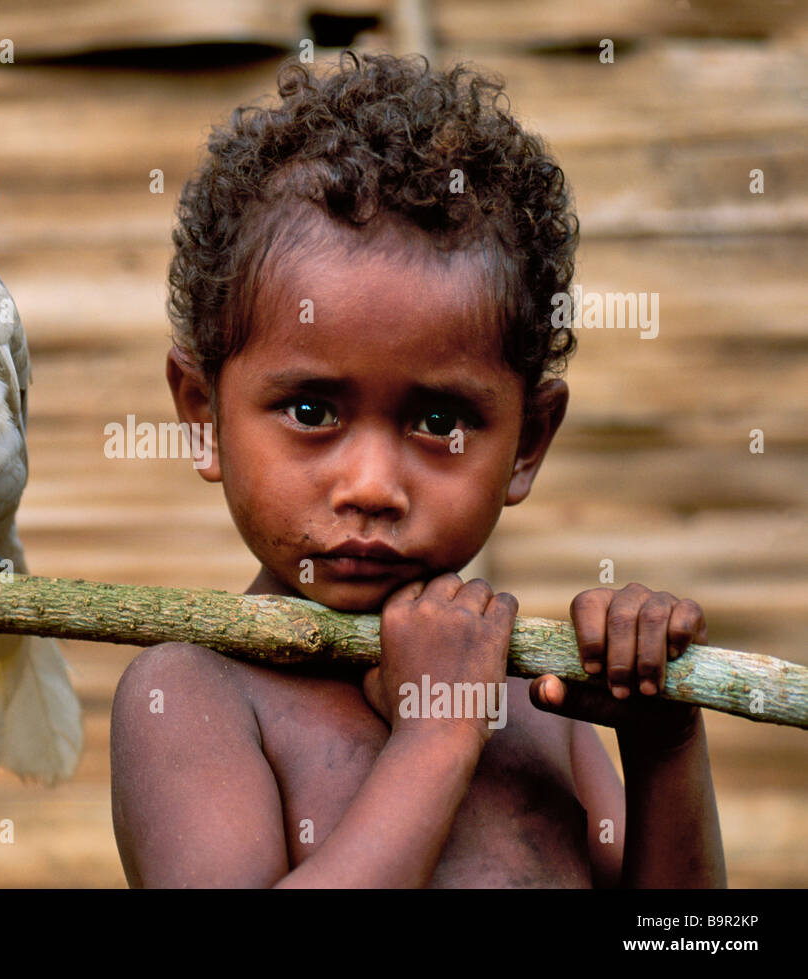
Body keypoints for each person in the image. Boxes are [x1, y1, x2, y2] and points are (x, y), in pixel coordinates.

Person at [109, 51, 724, 887]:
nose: (370, 486)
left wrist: (664, 743)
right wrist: (439, 735)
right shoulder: (191, 698)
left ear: (529, 442)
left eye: (440, 422)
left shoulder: (543, 702)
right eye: (312, 411)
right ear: (203, 414)